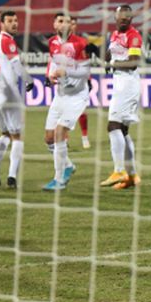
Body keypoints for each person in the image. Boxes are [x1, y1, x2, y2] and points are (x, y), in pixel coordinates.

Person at [43, 12, 91, 191]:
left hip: (77, 95)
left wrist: (67, 72)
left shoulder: (80, 43)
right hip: (61, 94)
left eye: (68, 22)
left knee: (60, 132)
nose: (64, 24)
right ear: (55, 24)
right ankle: (69, 166)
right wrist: (50, 76)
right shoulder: (52, 43)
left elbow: (85, 71)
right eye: (61, 21)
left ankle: (59, 179)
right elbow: (53, 62)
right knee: (49, 138)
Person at [100, 4, 143, 190]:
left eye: (127, 16)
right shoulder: (114, 35)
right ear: (115, 17)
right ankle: (132, 176)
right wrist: (106, 58)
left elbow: (133, 62)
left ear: (131, 19)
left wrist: (112, 62)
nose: (124, 18)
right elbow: (110, 53)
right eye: (121, 16)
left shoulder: (134, 36)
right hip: (120, 84)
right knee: (123, 131)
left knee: (113, 126)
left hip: (128, 85)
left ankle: (119, 170)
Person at [0, 10, 25, 189]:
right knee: (17, 137)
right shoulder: (8, 41)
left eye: (16, 20)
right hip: (7, 94)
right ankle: (12, 177)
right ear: (2, 24)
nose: (14, 24)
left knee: (5, 134)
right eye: (10, 21)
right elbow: (16, 68)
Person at [68, 18, 92, 149]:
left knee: (82, 110)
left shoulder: (82, 42)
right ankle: (64, 139)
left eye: (73, 24)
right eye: (69, 23)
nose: (71, 26)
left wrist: (89, 79)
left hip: (80, 80)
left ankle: (84, 137)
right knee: (64, 111)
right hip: (64, 80)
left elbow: (86, 63)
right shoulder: (59, 42)